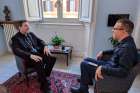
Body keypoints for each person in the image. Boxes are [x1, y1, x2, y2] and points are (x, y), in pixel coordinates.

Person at [71, 19, 138, 93]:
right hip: (109, 65)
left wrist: (103, 68)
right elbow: (116, 50)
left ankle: (83, 90)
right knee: (86, 59)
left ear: (124, 31)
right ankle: (87, 80)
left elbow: (123, 71)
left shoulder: (127, 48)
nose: (112, 30)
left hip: (109, 70)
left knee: (84, 64)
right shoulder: (126, 42)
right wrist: (103, 52)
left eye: (115, 28)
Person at [11, 20, 56, 93]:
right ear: (19, 27)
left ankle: (43, 76)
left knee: (52, 58)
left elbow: (40, 40)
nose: (28, 27)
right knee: (39, 61)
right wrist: (30, 55)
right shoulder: (15, 38)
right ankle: (44, 84)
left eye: (28, 25)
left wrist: (45, 46)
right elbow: (16, 50)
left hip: (36, 53)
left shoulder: (30, 34)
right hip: (27, 58)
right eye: (25, 25)